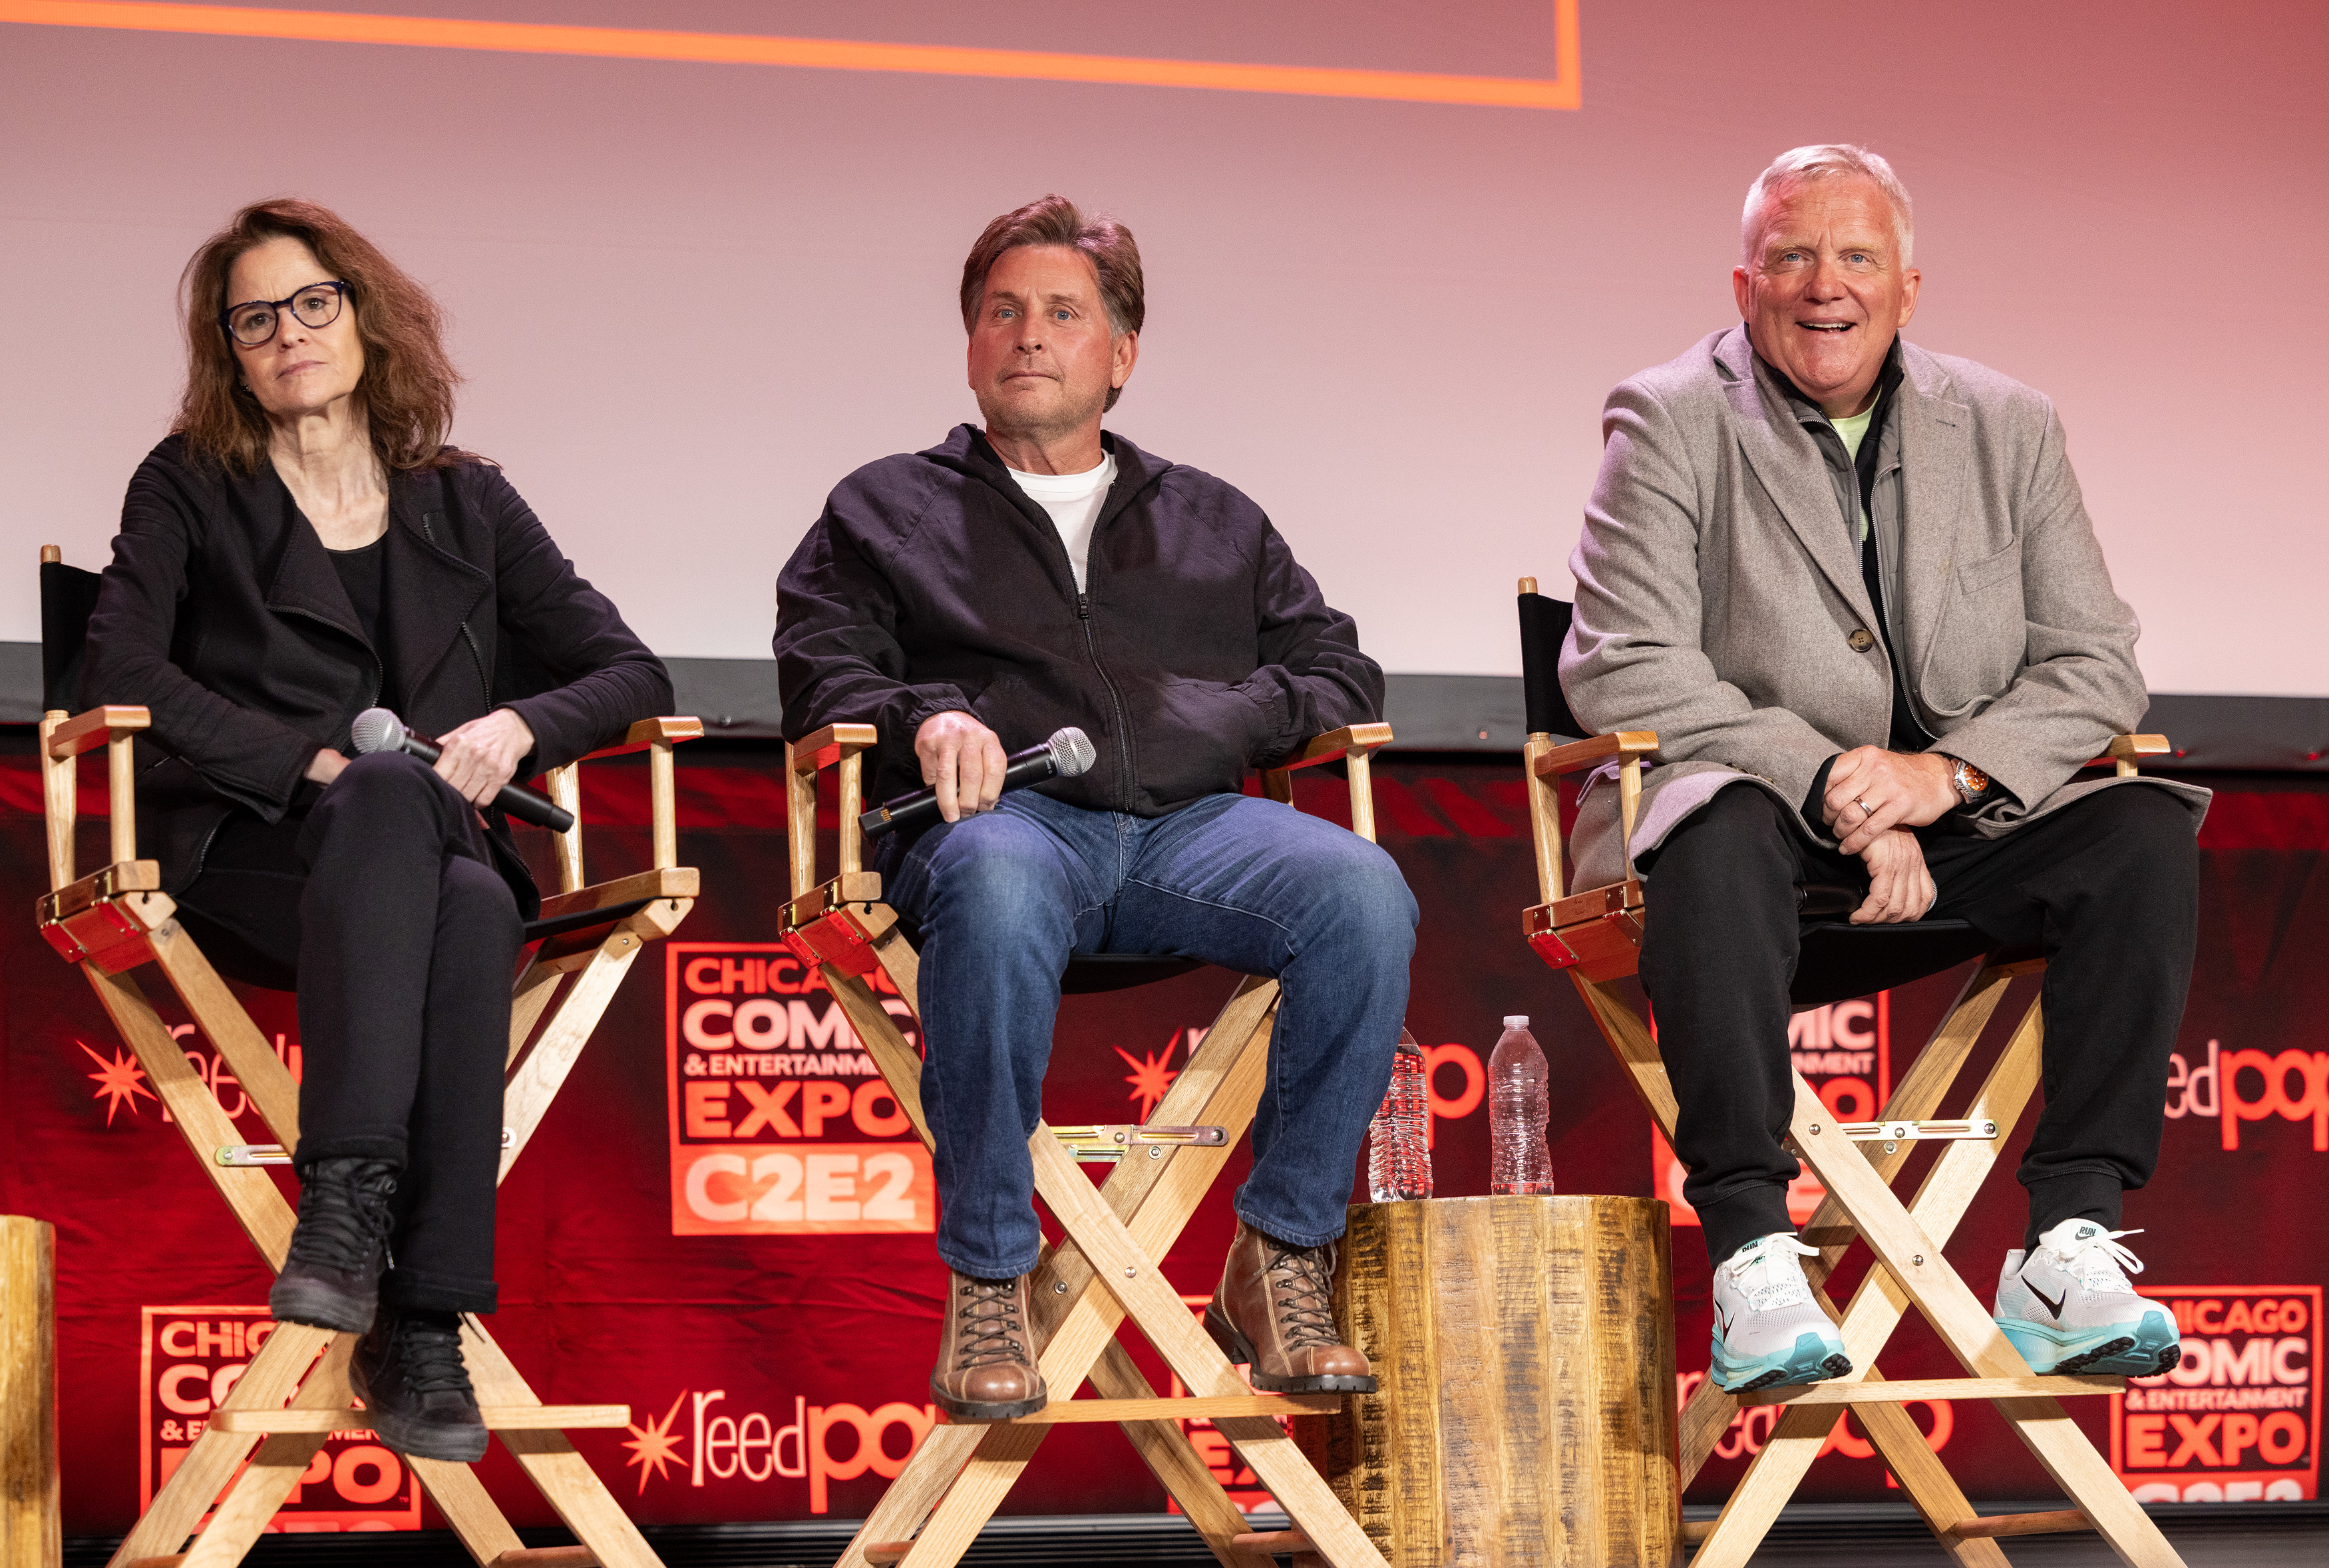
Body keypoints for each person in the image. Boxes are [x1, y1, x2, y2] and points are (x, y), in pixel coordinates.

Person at [1562, 146, 2208, 1394]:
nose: (1826, 286)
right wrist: (1842, 788)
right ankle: (1753, 1251)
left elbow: (2095, 666)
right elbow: (1626, 666)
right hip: (1749, 830)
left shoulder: (2009, 424)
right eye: (1794, 256)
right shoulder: (1668, 415)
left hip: (1954, 824)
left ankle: (2068, 1241)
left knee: (2139, 831)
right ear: (1745, 282)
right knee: (1724, 821)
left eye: (1857, 257)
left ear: (1910, 286)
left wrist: (1943, 780)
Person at [775, 196, 1415, 1418]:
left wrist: (1220, 717)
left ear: (1119, 356)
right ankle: (991, 1278)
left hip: (1189, 832)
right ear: (969, 346)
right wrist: (929, 719)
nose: (1027, 335)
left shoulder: (1215, 517)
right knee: (999, 877)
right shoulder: (885, 507)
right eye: (1002, 312)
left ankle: (1278, 1248)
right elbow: (822, 663)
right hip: (1003, 824)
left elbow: (1338, 670)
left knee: (1361, 890)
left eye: (1062, 313)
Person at [84, 198, 671, 1460]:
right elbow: (115, 666)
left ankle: (360, 1236)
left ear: (364, 316)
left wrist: (516, 724)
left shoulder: (469, 503)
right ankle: (422, 1308)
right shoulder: (190, 486)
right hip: (257, 854)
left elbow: (632, 671)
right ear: (228, 354)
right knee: (401, 804)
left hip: (441, 855)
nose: (287, 333)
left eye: (311, 304)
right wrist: (306, 765)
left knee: (448, 872)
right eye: (255, 320)